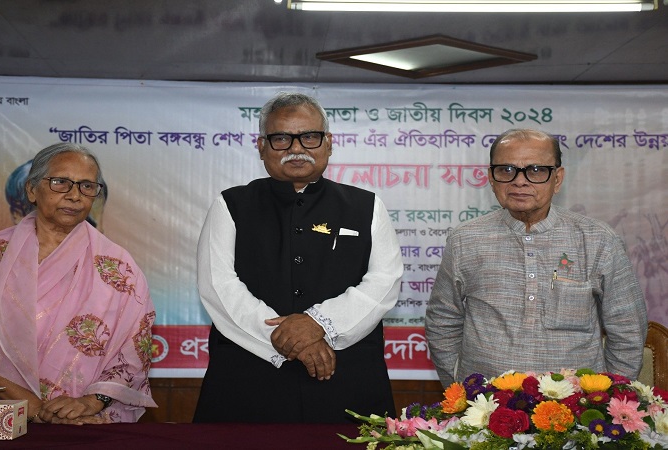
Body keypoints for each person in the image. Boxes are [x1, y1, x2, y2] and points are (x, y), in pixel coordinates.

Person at [193, 92, 404, 423]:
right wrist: (290, 340)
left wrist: (319, 324)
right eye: (281, 138)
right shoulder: (231, 205)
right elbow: (218, 285)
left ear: (328, 143)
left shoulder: (367, 206)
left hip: (345, 377)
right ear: (261, 146)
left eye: (309, 136)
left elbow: (384, 281)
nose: (296, 148)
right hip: (249, 377)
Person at [0, 143, 156, 423]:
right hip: (7, 414)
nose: (74, 195)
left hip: (88, 419)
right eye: (60, 182)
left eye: (87, 186)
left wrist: (89, 403)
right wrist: (37, 410)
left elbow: (134, 347)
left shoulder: (118, 266)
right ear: (31, 190)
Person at [425, 128, 648, 387]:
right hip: (485, 404)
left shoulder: (598, 240)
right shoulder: (465, 239)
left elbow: (628, 328)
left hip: (576, 405)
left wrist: (608, 395)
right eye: (506, 170)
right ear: (491, 178)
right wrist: (461, 388)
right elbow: (442, 320)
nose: (520, 181)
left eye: (536, 170)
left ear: (557, 178)